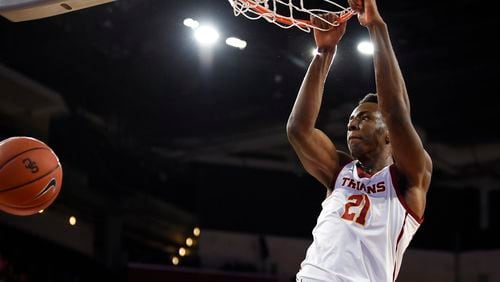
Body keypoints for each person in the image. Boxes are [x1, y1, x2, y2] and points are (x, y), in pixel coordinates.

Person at [286, 0, 433, 281]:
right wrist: (324, 52)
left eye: (365, 118)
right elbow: (298, 130)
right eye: (352, 119)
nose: (353, 122)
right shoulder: (339, 170)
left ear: (388, 132)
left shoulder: (409, 177)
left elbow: (396, 113)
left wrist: (376, 26)